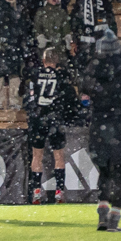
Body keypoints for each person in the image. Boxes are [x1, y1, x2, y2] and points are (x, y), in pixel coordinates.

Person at [79, 28, 121, 232]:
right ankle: (115, 217)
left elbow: (83, 86)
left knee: (105, 172)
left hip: (100, 125)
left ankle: (102, 215)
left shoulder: (93, 66)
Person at [24, 47, 82, 205]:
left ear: (43, 61)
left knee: (37, 156)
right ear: (57, 62)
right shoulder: (62, 75)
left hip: (38, 117)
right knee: (59, 156)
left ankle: (36, 192)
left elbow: (27, 95)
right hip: (55, 119)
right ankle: (59, 192)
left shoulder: (35, 74)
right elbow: (70, 96)